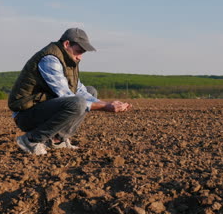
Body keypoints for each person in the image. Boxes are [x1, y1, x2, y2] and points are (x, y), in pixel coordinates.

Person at [8, 27, 131, 155]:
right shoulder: (50, 59)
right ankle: (31, 140)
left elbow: (79, 89)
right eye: (78, 51)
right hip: (26, 114)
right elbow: (65, 94)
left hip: (42, 107)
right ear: (67, 44)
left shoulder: (68, 60)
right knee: (77, 103)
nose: (80, 57)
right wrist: (105, 107)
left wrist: (107, 103)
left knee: (90, 91)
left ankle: (57, 140)